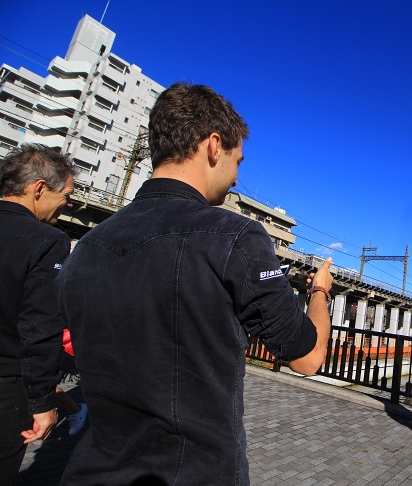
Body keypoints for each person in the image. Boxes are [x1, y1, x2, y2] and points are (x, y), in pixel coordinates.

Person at [55, 82, 334, 485]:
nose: (236, 177)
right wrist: (319, 292)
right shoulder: (236, 236)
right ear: (213, 146)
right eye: (238, 161)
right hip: (193, 472)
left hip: (91, 470)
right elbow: (307, 358)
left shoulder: (88, 245)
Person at [0, 143, 75, 484]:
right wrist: (42, 402)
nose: (69, 203)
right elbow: (38, 327)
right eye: (67, 194)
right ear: (39, 188)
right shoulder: (46, 240)